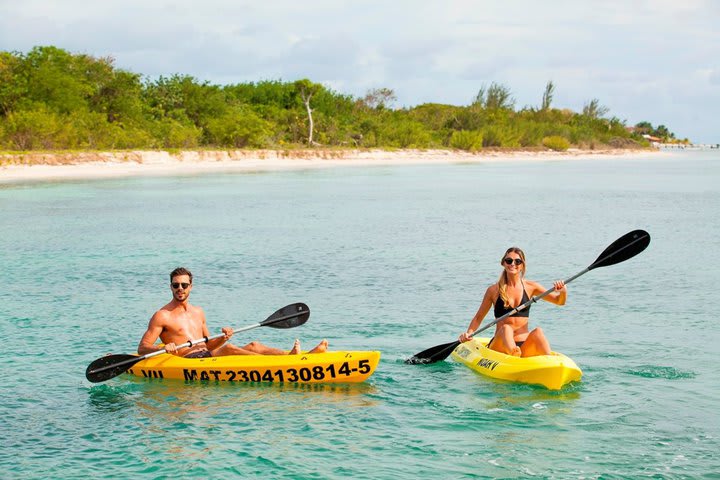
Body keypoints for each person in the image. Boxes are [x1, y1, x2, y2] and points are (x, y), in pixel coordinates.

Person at [138, 267, 328, 358]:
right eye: (176, 285)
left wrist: (223, 337)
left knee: (253, 344)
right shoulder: (162, 315)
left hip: (206, 353)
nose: (180, 288)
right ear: (171, 287)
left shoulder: (198, 312)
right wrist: (163, 348)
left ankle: (294, 358)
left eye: (184, 285)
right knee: (228, 351)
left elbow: (209, 343)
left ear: (191, 287)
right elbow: (143, 348)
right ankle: (283, 365)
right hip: (188, 359)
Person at [458, 247, 566, 357]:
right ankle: (513, 353)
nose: (513, 264)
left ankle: (549, 361)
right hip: (500, 346)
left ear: (522, 265)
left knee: (538, 332)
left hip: (523, 345)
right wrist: (469, 333)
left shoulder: (531, 287)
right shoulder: (493, 290)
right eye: (509, 261)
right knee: (506, 328)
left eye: (517, 261)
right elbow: (478, 317)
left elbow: (559, 301)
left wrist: (563, 291)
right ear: (503, 263)